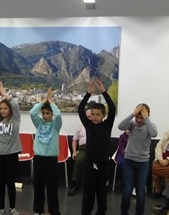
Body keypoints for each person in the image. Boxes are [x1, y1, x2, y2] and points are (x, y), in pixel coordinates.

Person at [78, 80, 116, 215]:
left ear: (103, 115)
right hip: (89, 165)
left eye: (97, 115)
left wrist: (104, 92)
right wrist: (89, 93)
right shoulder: (88, 125)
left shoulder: (107, 125)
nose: (94, 117)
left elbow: (112, 108)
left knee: (101, 194)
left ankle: (101, 212)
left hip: (103, 165)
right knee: (88, 194)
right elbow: (80, 108)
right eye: (92, 114)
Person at [0, 81, 22, 215]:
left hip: (12, 154)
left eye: (5, 108)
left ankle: (12, 208)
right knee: (1, 183)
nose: (2, 111)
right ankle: (1, 209)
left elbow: (15, 104)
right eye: (1, 108)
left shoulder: (15, 118)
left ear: (10, 110)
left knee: (10, 182)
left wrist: (5, 93)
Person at [119, 103, 158, 215]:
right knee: (127, 191)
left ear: (147, 115)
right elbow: (120, 126)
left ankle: (139, 213)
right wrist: (132, 114)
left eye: (142, 117)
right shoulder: (131, 124)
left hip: (143, 163)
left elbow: (154, 134)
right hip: (129, 161)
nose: (139, 120)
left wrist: (146, 118)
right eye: (138, 117)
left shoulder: (150, 126)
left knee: (141, 192)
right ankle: (124, 212)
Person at [30, 87, 62, 215]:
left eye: (47, 113)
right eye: (43, 113)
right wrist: (43, 101)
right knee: (38, 187)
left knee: (51, 189)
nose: (44, 115)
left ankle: (54, 211)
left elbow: (58, 114)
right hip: (38, 159)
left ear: (52, 114)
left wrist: (51, 101)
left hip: (51, 160)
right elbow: (32, 113)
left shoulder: (56, 125)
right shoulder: (39, 123)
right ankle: (38, 210)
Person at [67, 109, 91, 196]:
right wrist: (74, 151)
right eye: (87, 117)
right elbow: (74, 140)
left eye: (90, 117)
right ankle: (75, 185)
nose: (89, 119)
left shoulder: (98, 126)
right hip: (83, 148)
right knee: (78, 160)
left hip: (95, 149)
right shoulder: (80, 126)